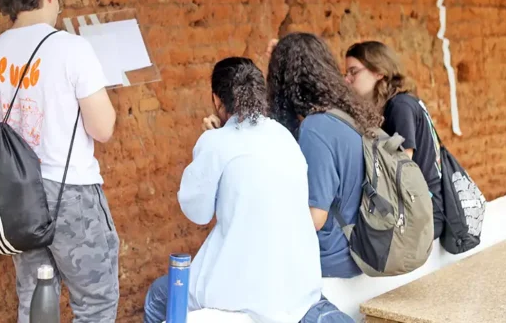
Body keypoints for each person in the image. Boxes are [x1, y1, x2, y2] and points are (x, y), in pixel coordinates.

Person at [0, 0, 119, 322]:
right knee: (95, 304)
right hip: (70, 193)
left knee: (36, 301)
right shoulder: (71, 48)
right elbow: (103, 129)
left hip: (19, 197)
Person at [144, 57, 344, 323]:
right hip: (297, 282)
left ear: (217, 100)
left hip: (244, 289)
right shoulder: (283, 136)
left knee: (158, 295)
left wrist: (208, 142)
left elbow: (198, 213)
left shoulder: (216, 143)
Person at [266, 33, 382, 309]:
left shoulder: (315, 129)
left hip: (335, 258)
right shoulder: (349, 115)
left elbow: (315, 217)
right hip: (363, 246)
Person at [344, 41, 444, 239]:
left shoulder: (400, 106)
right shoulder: (400, 102)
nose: (348, 79)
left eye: (353, 72)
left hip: (426, 215)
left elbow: (400, 169)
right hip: (421, 208)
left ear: (379, 72)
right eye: (346, 73)